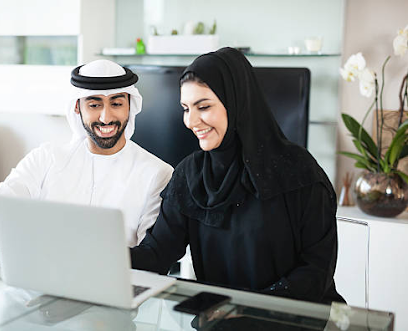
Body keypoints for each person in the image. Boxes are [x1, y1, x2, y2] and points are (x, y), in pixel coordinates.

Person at [131, 47, 344, 304]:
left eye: (204, 106)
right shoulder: (190, 174)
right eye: (186, 108)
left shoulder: (300, 172)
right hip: (220, 319)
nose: (191, 121)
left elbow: (316, 271)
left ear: (236, 102)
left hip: (292, 320)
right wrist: (104, 255)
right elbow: (158, 253)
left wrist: (249, 311)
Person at [0, 59, 173, 274]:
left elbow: (150, 260)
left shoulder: (156, 174)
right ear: (77, 107)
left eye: (116, 103)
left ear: (130, 107)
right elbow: (2, 201)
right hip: (37, 293)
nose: (106, 117)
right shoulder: (46, 158)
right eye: (94, 104)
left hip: (113, 300)